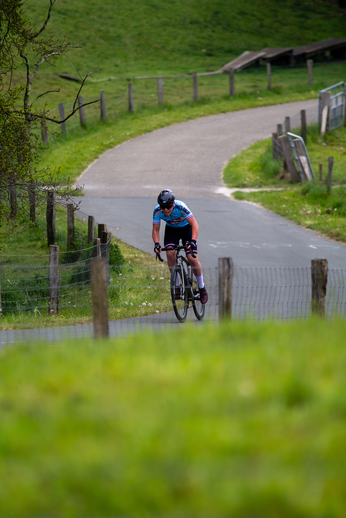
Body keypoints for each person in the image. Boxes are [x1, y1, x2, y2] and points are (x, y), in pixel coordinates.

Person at [152, 189, 208, 304]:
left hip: (186, 228)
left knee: (192, 258)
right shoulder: (157, 211)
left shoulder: (181, 207)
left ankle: (202, 288)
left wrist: (193, 241)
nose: (165, 210)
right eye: (163, 207)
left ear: (173, 204)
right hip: (172, 230)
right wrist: (156, 244)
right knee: (170, 253)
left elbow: (194, 225)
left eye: (168, 207)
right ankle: (177, 285)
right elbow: (155, 230)